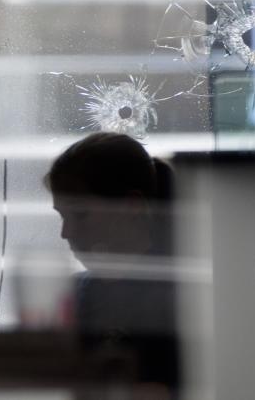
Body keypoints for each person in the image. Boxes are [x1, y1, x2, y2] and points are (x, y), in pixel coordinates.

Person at [47, 132, 179, 396]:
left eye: (80, 214)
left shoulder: (177, 298)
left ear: (131, 207)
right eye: (62, 216)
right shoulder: (77, 296)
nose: (66, 232)